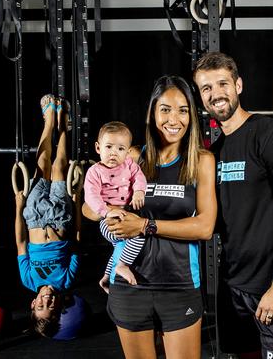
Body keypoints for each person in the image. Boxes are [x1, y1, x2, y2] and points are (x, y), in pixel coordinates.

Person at [82, 75, 217, 359]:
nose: (174, 119)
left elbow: (205, 227)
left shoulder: (201, 161)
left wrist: (145, 225)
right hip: (131, 287)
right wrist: (104, 211)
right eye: (165, 109)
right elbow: (88, 207)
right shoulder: (132, 157)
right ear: (153, 112)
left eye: (182, 110)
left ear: (191, 115)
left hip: (179, 286)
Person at [194, 52, 273, 359]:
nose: (215, 93)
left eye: (222, 83)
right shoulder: (215, 152)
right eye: (206, 88)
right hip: (234, 290)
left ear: (238, 85)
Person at [15, 94, 81, 337]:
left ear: (33, 304)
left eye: (41, 306)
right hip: (60, 217)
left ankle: (49, 120)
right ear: (60, 306)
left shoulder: (28, 280)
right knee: (58, 166)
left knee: (42, 162)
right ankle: (63, 126)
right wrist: (76, 201)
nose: (47, 302)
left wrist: (18, 206)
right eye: (51, 308)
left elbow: (21, 243)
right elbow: (76, 240)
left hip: (33, 216)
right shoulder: (66, 281)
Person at [84, 121, 147, 289]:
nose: (113, 153)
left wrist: (139, 191)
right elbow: (91, 196)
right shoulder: (95, 172)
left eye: (120, 149)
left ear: (127, 151)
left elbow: (139, 177)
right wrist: (106, 211)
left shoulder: (129, 165)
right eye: (109, 147)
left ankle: (107, 275)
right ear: (98, 148)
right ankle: (122, 266)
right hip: (107, 221)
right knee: (137, 236)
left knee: (120, 246)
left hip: (125, 215)